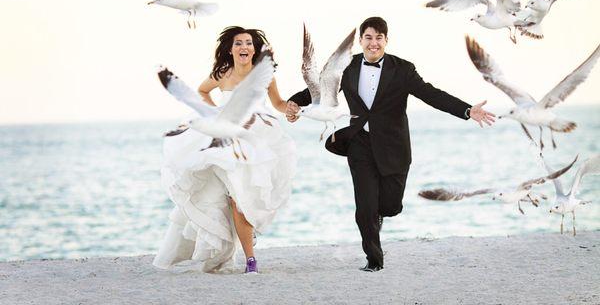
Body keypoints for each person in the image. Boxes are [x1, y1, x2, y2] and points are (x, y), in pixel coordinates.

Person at [286, 16, 495, 272]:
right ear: (361, 40)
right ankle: (374, 260)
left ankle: (382, 214)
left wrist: (466, 110)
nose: (373, 43)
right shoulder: (348, 66)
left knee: (389, 205)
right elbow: (315, 89)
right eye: (368, 37)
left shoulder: (403, 70)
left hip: (394, 146)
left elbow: (431, 94)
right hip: (359, 143)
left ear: (386, 40)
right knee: (365, 208)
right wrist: (294, 102)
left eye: (378, 38)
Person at [153, 26, 296, 274]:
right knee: (232, 198)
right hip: (225, 140)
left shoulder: (265, 74)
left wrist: (291, 109)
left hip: (256, 136)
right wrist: (215, 113)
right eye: (239, 43)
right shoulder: (223, 73)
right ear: (230, 49)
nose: (244, 47)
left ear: (255, 48)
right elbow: (201, 90)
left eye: (249, 43)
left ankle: (248, 253)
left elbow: (278, 103)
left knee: (244, 199)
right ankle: (250, 260)